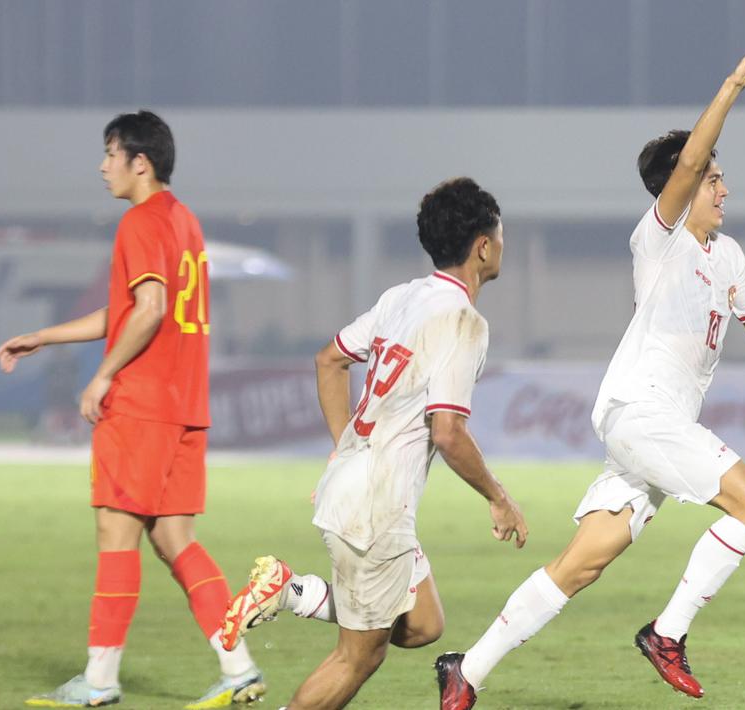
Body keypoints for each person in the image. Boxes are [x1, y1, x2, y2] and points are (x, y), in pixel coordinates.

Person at [437, 32, 745, 708]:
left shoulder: (725, 256)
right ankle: (666, 634)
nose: (723, 187)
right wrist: (730, 86)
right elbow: (693, 154)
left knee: (580, 564)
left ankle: (467, 670)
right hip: (641, 412)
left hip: (652, 428)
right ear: (685, 184)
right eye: (714, 177)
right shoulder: (659, 238)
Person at [220, 177, 529, 710]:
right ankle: (288, 592)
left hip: (354, 486)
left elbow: (329, 359)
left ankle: (289, 590)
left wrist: (346, 447)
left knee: (423, 624)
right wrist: (499, 497)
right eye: (500, 235)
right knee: (359, 656)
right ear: (483, 244)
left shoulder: (402, 297)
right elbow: (448, 433)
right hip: (376, 507)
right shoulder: (462, 321)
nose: (502, 245)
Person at [0, 110, 264, 709]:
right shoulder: (185, 222)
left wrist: (102, 376)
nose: (102, 166)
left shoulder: (140, 222)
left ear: (139, 162)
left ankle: (97, 682)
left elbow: (147, 309)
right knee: (175, 539)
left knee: (116, 536)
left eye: (110, 153)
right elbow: (129, 310)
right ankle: (239, 666)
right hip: (185, 405)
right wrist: (44, 336)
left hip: (142, 405)